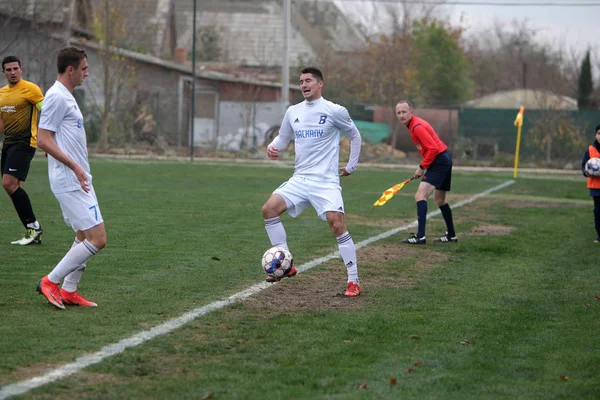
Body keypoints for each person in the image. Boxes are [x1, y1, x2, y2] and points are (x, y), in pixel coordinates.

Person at [262, 66, 363, 297]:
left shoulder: (335, 110)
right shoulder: (293, 111)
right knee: (269, 209)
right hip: (300, 178)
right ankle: (286, 265)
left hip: (325, 181)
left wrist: (351, 166)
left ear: (320, 84)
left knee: (336, 223)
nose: (304, 85)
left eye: (309, 81)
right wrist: (274, 146)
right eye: (301, 82)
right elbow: (284, 137)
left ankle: (353, 280)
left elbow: (355, 135)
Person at [36, 46, 106, 309]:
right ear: (70, 69)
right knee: (98, 239)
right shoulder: (56, 96)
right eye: (84, 68)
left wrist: (76, 167)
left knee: (82, 233)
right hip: (70, 179)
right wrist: (73, 166)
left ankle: (69, 290)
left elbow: (54, 138)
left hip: (79, 177)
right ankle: (50, 282)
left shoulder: (67, 95)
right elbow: (43, 138)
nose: (87, 73)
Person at [395, 100, 457, 245]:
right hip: (443, 160)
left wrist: (422, 167)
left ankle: (420, 236)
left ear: (412, 112)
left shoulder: (416, 126)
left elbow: (433, 149)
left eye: (404, 112)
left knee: (420, 195)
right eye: (398, 113)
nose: (402, 115)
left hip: (440, 161)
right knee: (440, 200)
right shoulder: (413, 125)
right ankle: (451, 235)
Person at [0, 56, 45, 245]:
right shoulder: (1, 93)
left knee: (8, 183)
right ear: (3, 72)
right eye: (8, 70)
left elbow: (48, 111)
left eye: (15, 69)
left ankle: (34, 227)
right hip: (8, 144)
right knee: (14, 188)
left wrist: (49, 139)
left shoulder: (31, 89)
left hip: (25, 142)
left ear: (21, 69)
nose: (12, 72)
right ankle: (30, 232)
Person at [581, 123, 600, 243]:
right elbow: (584, 165)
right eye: (599, 133)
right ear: (595, 135)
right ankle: (599, 235)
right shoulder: (590, 149)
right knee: (598, 212)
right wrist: (586, 172)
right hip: (596, 187)